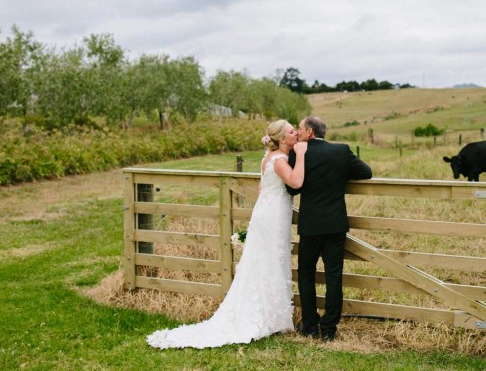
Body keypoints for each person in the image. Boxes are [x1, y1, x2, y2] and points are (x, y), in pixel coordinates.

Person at [146, 119, 307, 349]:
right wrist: (300, 154)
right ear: (282, 139)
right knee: (270, 260)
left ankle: (273, 317)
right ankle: (266, 318)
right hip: (272, 217)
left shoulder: (268, 158)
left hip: (267, 212)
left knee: (267, 261)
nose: (295, 135)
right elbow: (296, 181)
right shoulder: (280, 161)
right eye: (292, 132)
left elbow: (263, 188)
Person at [287, 116, 372, 342]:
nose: (298, 133)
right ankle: (330, 330)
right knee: (334, 276)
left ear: (310, 133)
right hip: (335, 224)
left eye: (300, 129)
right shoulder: (341, 152)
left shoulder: (298, 153)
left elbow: (292, 189)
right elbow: (366, 172)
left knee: (306, 274)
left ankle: (310, 325)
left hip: (310, 225)